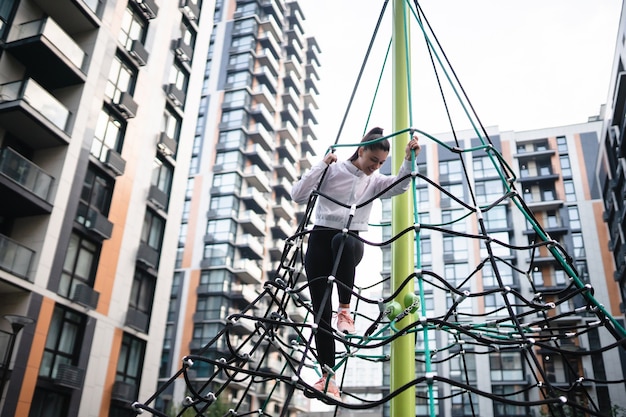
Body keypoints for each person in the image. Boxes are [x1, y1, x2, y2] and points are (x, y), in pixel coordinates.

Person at [291, 127, 421, 401]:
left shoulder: (373, 182)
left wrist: (409, 159)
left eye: (381, 163)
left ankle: (346, 309)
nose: (376, 167)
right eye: (373, 160)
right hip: (319, 243)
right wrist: (321, 165)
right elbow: (298, 195)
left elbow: (400, 184)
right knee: (319, 314)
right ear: (361, 151)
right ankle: (328, 378)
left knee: (343, 239)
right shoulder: (333, 171)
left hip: (349, 245)